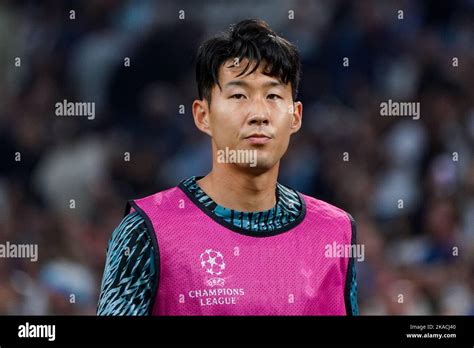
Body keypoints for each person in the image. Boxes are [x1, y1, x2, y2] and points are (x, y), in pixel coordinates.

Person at [97, 19, 358, 316]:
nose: (258, 113)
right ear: (203, 115)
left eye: (273, 96)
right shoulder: (146, 230)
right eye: (238, 96)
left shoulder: (336, 233)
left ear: (295, 117)